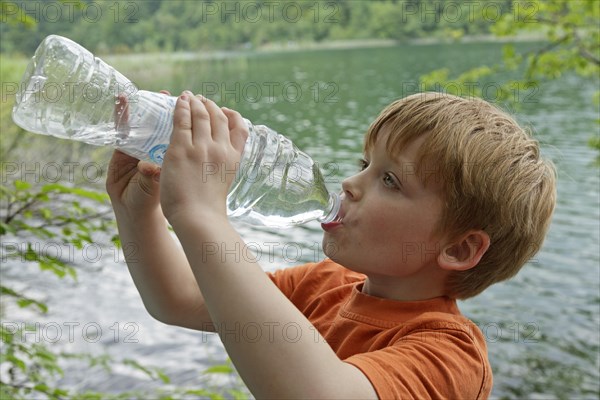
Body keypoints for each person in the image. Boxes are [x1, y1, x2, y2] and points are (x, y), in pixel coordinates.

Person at [106, 91, 556, 399]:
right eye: (366, 163)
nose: (350, 183)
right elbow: (180, 301)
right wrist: (137, 213)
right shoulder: (326, 284)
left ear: (458, 250)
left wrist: (203, 216)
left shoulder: (448, 353)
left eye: (390, 180)